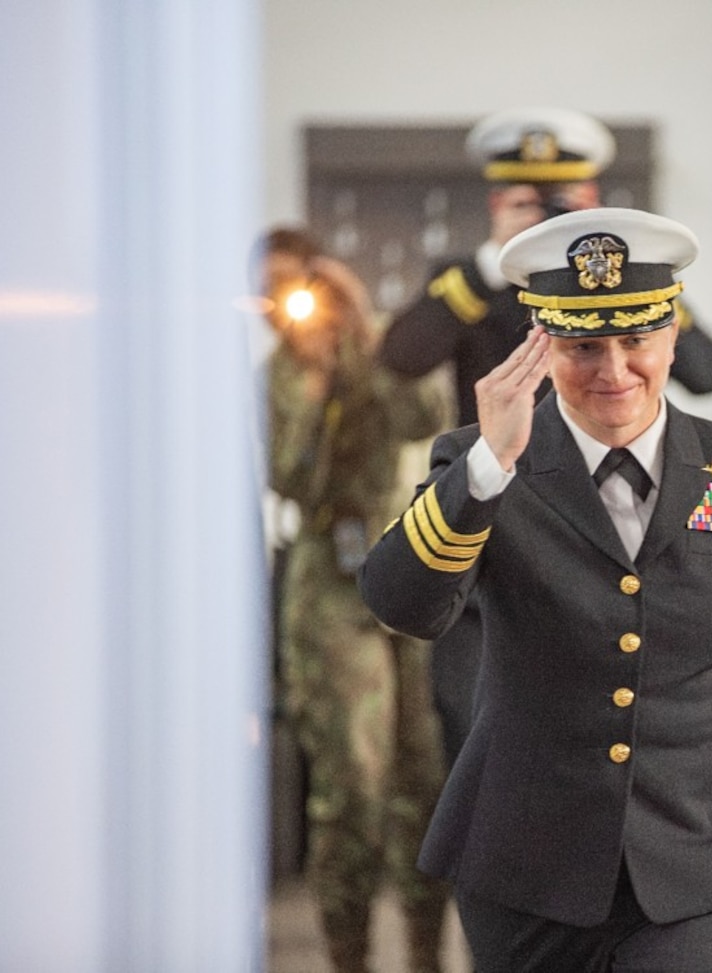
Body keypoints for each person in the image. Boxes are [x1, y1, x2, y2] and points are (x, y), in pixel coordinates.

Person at [358, 208, 712, 972]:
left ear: (671, 335)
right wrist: (488, 465)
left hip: (708, 856)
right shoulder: (479, 462)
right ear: (543, 346)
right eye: (583, 345)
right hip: (527, 864)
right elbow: (404, 604)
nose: (614, 370)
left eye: (636, 341)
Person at [380, 107, 712, 768]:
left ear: (592, 200)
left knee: (604, 712)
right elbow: (399, 355)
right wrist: (492, 263)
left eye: (560, 200)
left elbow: (710, 373)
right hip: (499, 504)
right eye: (523, 199)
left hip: (600, 520)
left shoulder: (631, 282)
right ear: (495, 202)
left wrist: (648, 300)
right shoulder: (470, 278)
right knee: (471, 714)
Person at [259, 227, 451, 973]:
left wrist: (372, 334)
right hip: (328, 583)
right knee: (351, 793)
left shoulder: (370, 350)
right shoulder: (277, 375)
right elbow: (290, 481)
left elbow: (423, 417)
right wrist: (313, 392)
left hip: (398, 565)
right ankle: (348, 958)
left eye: (297, 283)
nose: (287, 304)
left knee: (421, 783)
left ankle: (430, 957)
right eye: (271, 289)